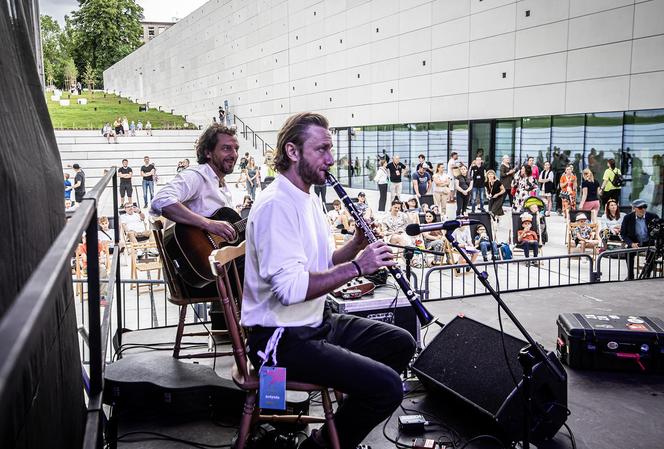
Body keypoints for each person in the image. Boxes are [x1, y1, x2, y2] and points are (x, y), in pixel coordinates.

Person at [240, 112, 416, 449]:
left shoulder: (308, 198)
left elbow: (319, 265)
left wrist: (353, 248)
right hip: (281, 339)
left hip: (314, 322)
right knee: (388, 388)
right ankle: (321, 446)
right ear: (293, 152)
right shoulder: (277, 205)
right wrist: (357, 268)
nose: (331, 158)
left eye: (330, 149)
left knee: (401, 343)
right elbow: (290, 290)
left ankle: (341, 427)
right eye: (321, 149)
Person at [620, 199, 659, 280]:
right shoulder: (628, 218)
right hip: (635, 242)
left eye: (645, 207)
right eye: (640, 207)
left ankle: (646, 274)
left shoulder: (653, 216)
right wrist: (631, 244)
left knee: (652, 254)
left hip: (649, 242)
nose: (643, 209)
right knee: (628, 253)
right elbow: (623, 234)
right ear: (634, 208)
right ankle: (630, 275)